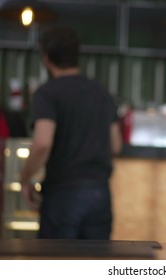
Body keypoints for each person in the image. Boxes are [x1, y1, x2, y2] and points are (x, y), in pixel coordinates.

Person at [20, 26, 123, 240]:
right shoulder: (101, 93)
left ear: (46, 59)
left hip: (62, 194)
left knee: (57, 267)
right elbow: (116, 145)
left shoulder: (47, 93)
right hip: (99, 195)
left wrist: (24, 178)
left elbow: (42, 143)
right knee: (94, 268)